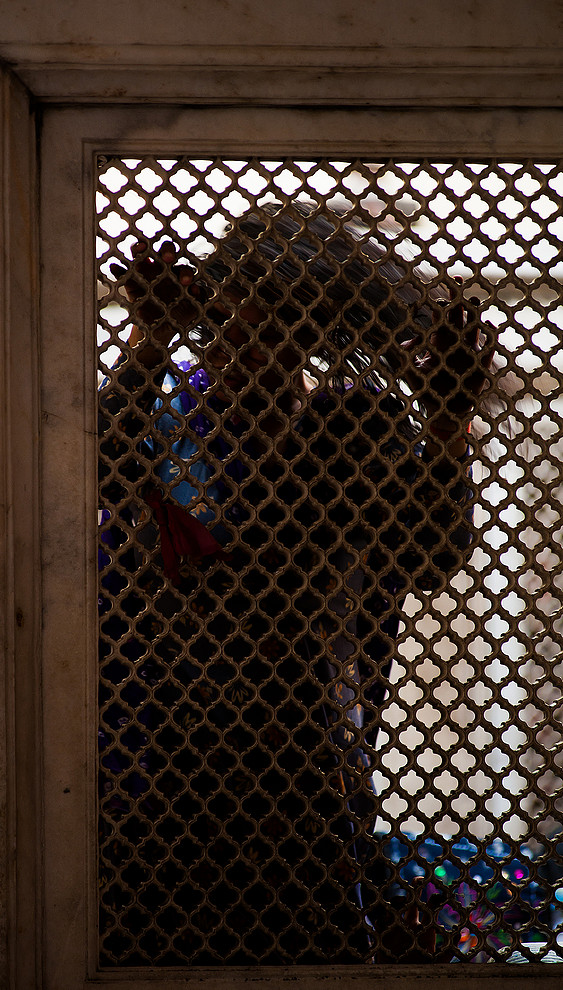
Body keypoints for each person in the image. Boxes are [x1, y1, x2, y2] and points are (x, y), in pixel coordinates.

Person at [97, 202, 492, 964]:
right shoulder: (175, 408)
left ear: (310, 329)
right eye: (228, 315)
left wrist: (443, 430)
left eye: (269, 321)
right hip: (155, 734)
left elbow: (430, 557)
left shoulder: (356, 424)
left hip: (307, 744)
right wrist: (148, 347)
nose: (239, 338)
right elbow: (104, 466)